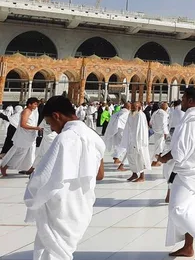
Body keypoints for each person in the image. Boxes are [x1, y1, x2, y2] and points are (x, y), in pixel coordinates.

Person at [24, 95, 105, 260]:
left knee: (49, 253)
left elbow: (43, 178)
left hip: (59, 209)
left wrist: (32, 191)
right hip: (80, 208)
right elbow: (99, 174)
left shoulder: (65, 138)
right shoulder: (94, 136)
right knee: (62, 251)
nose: (52, 128)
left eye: (50, 123)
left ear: (56, 115)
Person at [158, 87, 195, 259]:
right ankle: (188, 247)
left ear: (190, 101)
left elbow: (179, 152)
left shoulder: (190, 122)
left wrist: (162, 158)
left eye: (183, 99)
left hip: (186, 172)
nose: (181, 102)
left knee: (177, 209)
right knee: (191, 209)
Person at [1, 98, 40, 177]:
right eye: (35, 104)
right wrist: (36, 128)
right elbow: (23, 124)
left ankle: (27, 168)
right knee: (18, 154)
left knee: (25, 154)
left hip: (29, 137)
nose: (36, 106)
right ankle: (4, 167)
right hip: (23, 137)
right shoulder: (26, 111)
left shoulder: (32, 112)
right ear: (29, 104)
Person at [121, 102, 151, 182]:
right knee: (131, 157)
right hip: (131, 140)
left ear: (139, 107)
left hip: (139, 141)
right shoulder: (130, 114)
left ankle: (142, 176)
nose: (133, 109)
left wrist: (138, 142)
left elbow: (140, 130)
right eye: (132, 107)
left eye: (134, 107)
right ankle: (134, 174)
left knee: (140, 158)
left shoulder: (140, 115)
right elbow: (128, 127)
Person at [150, 102, 170, 167]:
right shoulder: (164, 114)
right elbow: (164, 124)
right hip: (161, 132)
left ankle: (154, 161)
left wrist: (154, 127)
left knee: (157, 146)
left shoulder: (155, 112)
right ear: (166, 108)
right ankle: (156, 161)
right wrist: (166, 133)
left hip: (156, 131)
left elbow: (151, 122)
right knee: (160, 147)